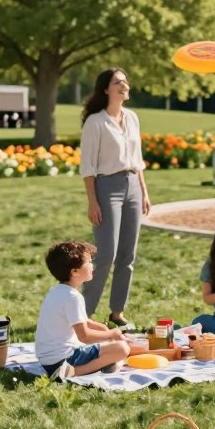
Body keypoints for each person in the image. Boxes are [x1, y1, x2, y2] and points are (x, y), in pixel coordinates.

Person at [79, 68, 150, 329]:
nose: (124, 86)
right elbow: (87, 167)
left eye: (125, 81)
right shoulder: (95, 122)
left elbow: (138, 160)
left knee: (127, 255)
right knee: (106, 253)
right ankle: (84, 314)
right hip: (106, 187)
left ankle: (117, 313)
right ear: (106, 89)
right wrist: (93, 201)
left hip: (132, 185)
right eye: (118, 82)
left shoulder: (132, 118)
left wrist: (143, 192)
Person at [35, 240, 131, 380]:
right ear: (74, 272)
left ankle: (100, 363)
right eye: (89, 262)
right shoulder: (73, 297)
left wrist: (103, 329)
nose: (93, 266)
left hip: (47, 360)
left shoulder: (57, 291)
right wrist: (111, 334)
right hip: (64, 359)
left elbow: (81, 320)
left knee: (107, 343)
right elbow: (84, 336)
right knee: (122, 349)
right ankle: (74, 371)